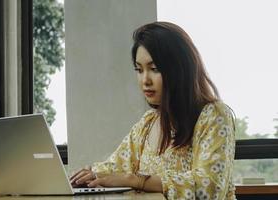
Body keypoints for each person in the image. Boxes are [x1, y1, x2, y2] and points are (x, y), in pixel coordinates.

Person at [70, 21, 236, 200]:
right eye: (139, 70)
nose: (145, 80)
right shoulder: (148, 122)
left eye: (154, 69)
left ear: (179, 69)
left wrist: (137, 180)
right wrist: (90, 175)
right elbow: (116, 167)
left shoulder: (214, 115)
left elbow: (208, 188)